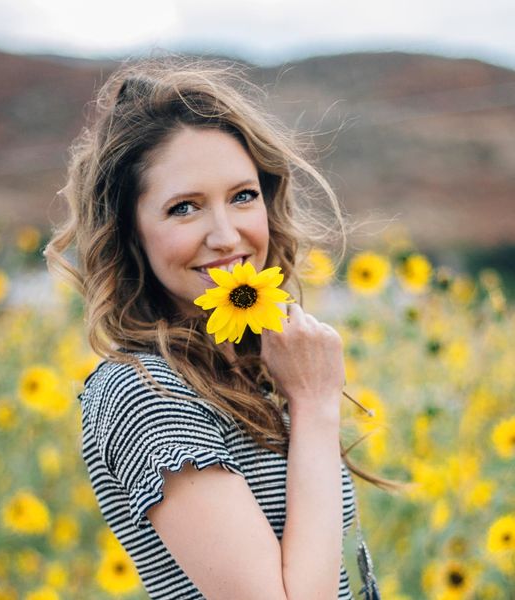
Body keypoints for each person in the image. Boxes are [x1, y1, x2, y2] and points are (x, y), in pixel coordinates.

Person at [44, 55, 403, 599]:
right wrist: (314, 404)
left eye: (242, 196)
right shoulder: (144, 393)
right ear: (130, 232)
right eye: (184, 208)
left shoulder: (256, 364)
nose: (226, 235)